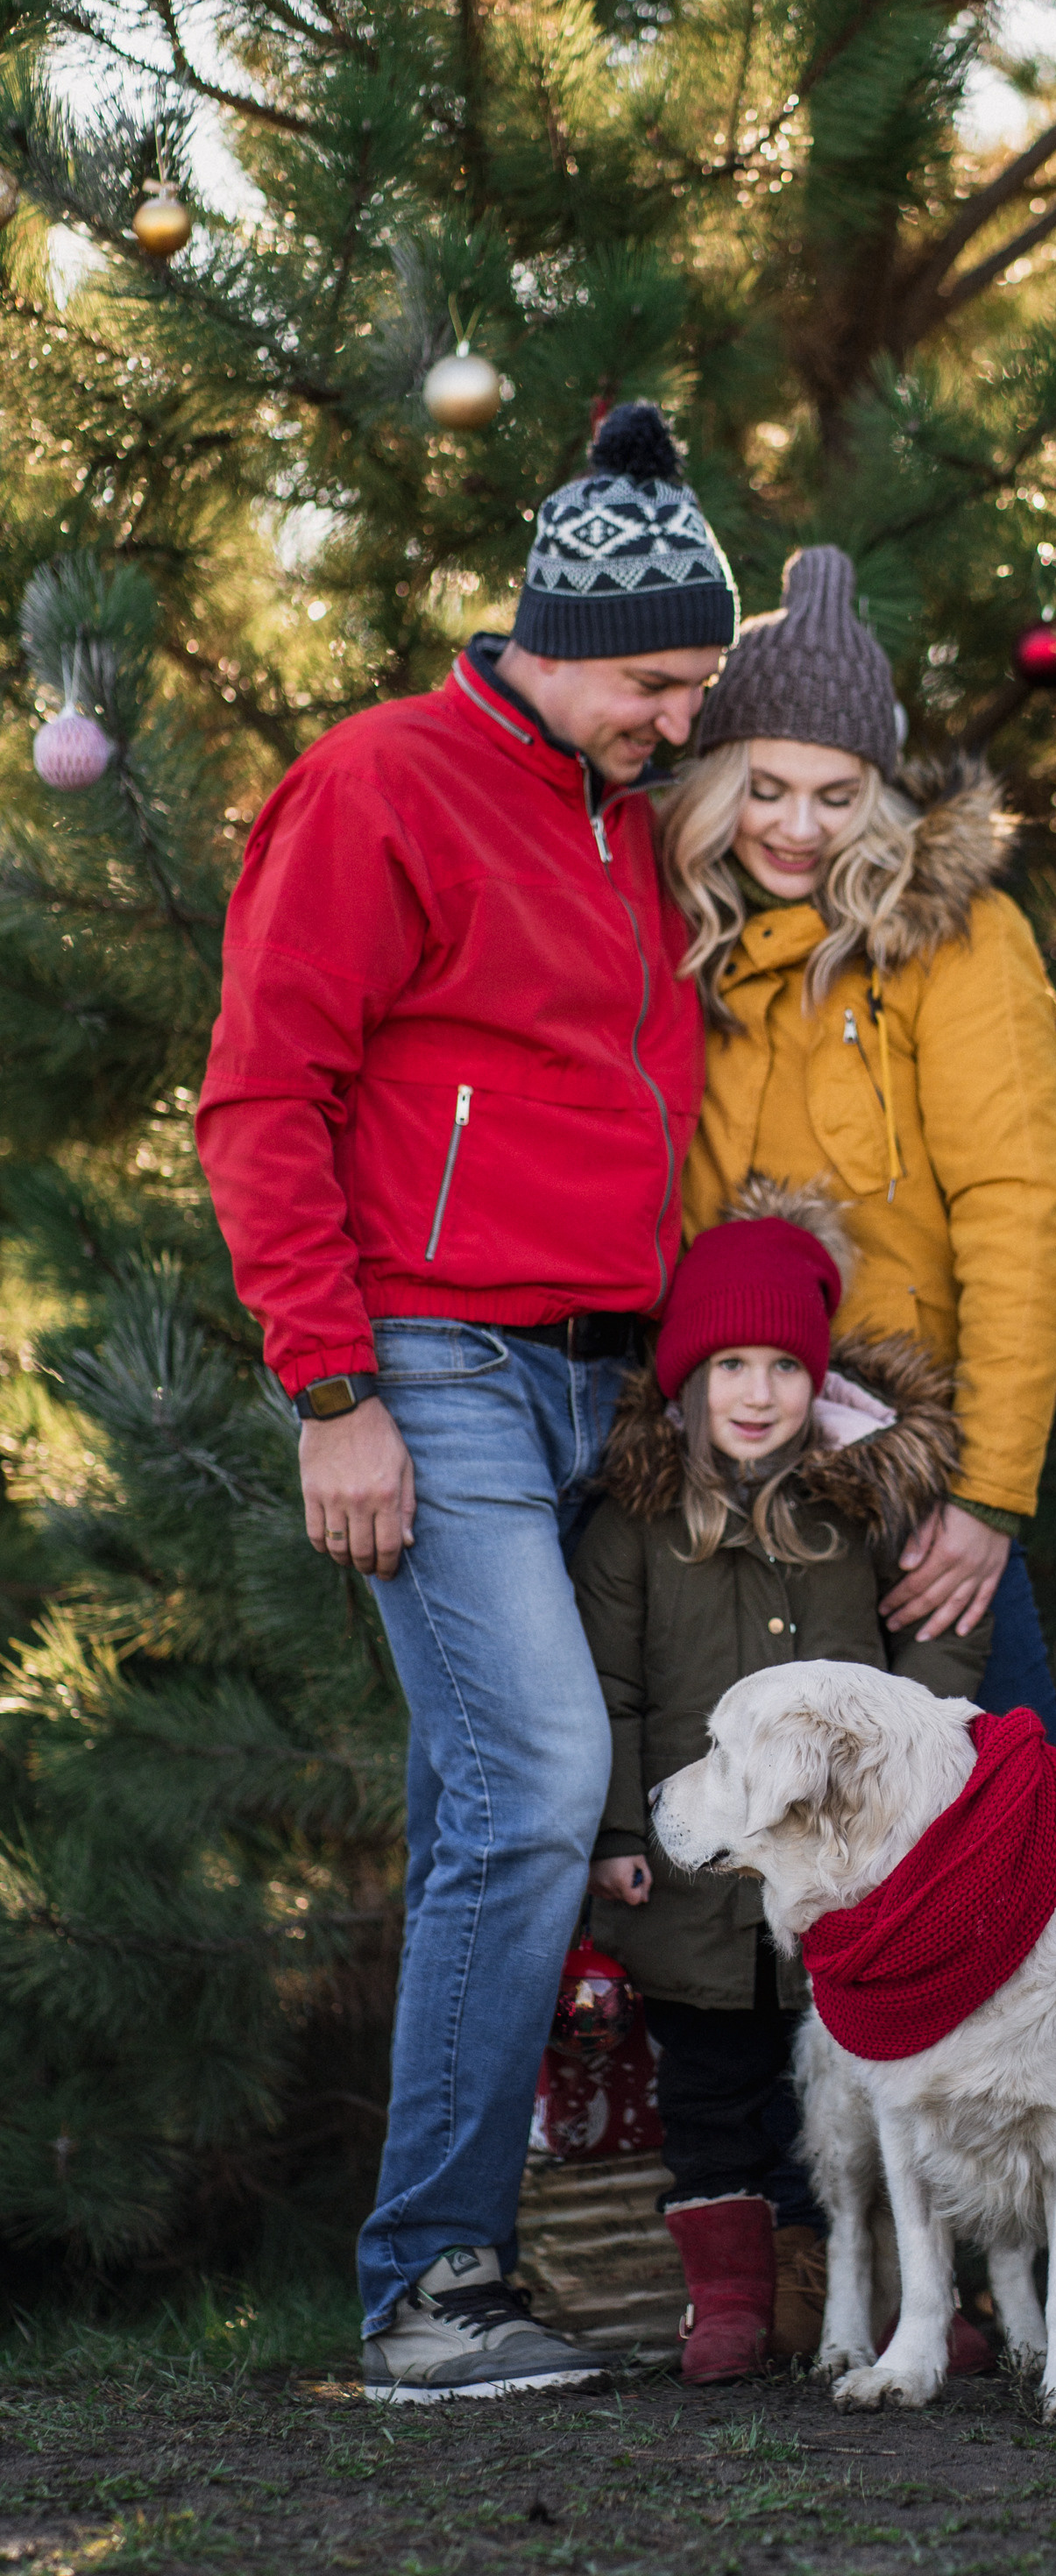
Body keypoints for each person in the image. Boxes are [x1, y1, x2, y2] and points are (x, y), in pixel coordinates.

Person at [195, 402, 739, 2401]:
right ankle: (432, 2283)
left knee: (480, 1812)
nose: (681, 717)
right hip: (426, 1357)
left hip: (602, 1369)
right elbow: (264, 1099)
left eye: (700, 680)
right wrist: (335, 1389)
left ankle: (454, 2274)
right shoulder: (378, 783)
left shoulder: (622, 809)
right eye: (657, 679)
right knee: (531, 1780)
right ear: (550, 639)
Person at [574, 1182, 994, 2381]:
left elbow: (939, 1646)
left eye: (783, 1367)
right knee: (713, 2084)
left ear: (819, 1382)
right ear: (685, 1381)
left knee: (870, 2082)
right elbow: (608, 1694)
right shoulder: (633, 1529)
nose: (757, 1394)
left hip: (850, 1873)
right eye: (728, 1366)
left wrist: (923, 1794)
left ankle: (902, 2289)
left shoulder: (863, 1507)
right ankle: (730, 2304)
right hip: (697, 1865)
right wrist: (614, 1832)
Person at [661, 545, 1056, 1740]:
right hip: (712, 1456)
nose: (798, 827)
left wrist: (990, 1494)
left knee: (988, 1812)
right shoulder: (678, 936)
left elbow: (1020, 1215)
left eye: (836, 795)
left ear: (881, 795)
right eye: (766, 786)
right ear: (713, 780)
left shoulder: (956, 942)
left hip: (904, 1463)